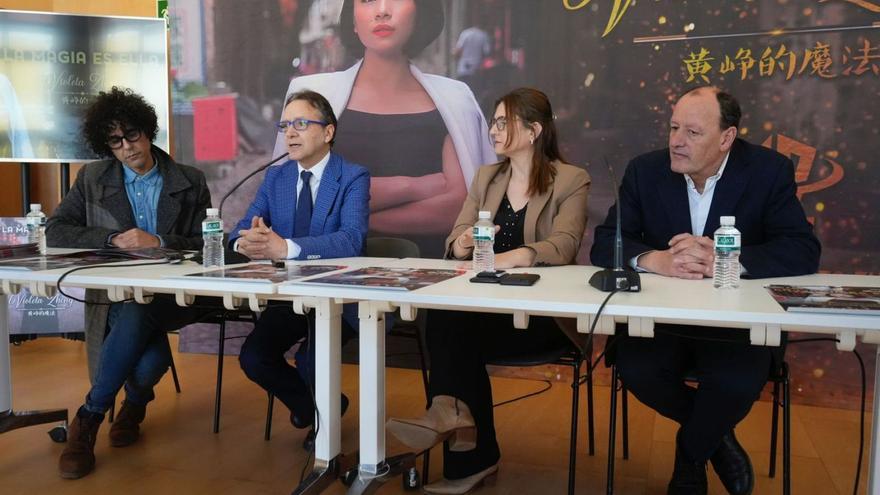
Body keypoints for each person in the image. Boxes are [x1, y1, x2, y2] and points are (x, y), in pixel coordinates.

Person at [590, 86, 821, 495]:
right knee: (638, 369)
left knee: (735, 380)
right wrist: (656, 260)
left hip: (735, 323)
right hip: (662, 322)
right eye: (674, 127)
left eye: (693, 133)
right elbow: (606, 242)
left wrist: (727, 260)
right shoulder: (645, 171)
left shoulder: (768, 170)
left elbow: (801, 249)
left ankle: (691, 455)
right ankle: (717, 441)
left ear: (727, 138)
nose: (676, 141)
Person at [386, 88, 590, 494]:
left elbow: (565, 244)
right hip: (483, 309)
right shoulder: (486, 177)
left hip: (540, 316)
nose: (493, 130)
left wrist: (513, 256)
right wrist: (463, 244)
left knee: (455, 329)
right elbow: (456, 236)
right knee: (446, 311)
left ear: (533, 130)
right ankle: (454, 424)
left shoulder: (571, 179)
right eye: (493, 121)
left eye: (503, 122)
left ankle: (461, 437)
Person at [46, 87, 213, 479]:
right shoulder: (92, 177)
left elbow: (208, 243)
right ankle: (134, 405)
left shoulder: (189, 180)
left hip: (175, 293)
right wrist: (109, 240)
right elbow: (56, 229)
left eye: (132, 135)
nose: (127, 148)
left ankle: (88, 418)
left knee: (142, 317)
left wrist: (159, 241)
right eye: (115, 142)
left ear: (148, 131)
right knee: (148, 361)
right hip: (116, 293)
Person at [275, 0, 495, 258]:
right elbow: (300, 198)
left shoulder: (455, 99)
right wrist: (412, 187)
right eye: (367, 0)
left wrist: (346, 220)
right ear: (353, 19)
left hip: (431, 278)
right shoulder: (311, 96)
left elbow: (457, 208)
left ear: (420, 13)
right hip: (329, 278)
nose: (382, 10)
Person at [233, 89, 369, 448]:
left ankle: (326, 436)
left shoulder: (353, 176)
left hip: (340, 298)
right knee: (254, 357)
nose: (290, 133)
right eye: (285, 125)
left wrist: (285, 247)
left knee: (310, 359)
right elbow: (243, 226)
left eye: (301, 123)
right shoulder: (277, 177)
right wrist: (244, 242)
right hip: (289, 296)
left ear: (328, 132)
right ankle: (317, 409)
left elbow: (351, 239)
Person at [453, 15, 491, 88]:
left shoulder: (465, 33)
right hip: (477, 70)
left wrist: (454, 57)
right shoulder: (484, 35)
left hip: (463, 68)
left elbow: (458, 50)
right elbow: (487, 52)